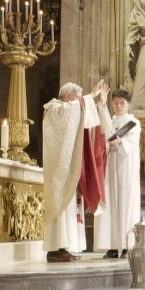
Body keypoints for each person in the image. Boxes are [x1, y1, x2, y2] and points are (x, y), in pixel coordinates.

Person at [42, 80, 108, 262]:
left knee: (71, 209)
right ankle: (55, 249)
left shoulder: (70, 107)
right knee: (61, 208)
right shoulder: (54, 108)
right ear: (67, 97)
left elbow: (84, 122)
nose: (80, 101)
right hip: (59, 170)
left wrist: (100, 105)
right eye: (77, 98)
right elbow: (71, 112)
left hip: (69, 167)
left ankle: (66, 247)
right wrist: (89, 97)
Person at [93, 88, 142, 258]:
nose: (119, 106)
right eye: (116, 103)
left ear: (128, 104)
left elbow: (129, 142)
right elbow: (103, 128)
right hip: (110, 167)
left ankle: (127, 245)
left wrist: (118, 141)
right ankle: (112, 246)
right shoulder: (111, 120)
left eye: (122, 103)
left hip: (125, 166)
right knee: (110, 203)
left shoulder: (133, 122)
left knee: (125, 202)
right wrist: (103, 103)